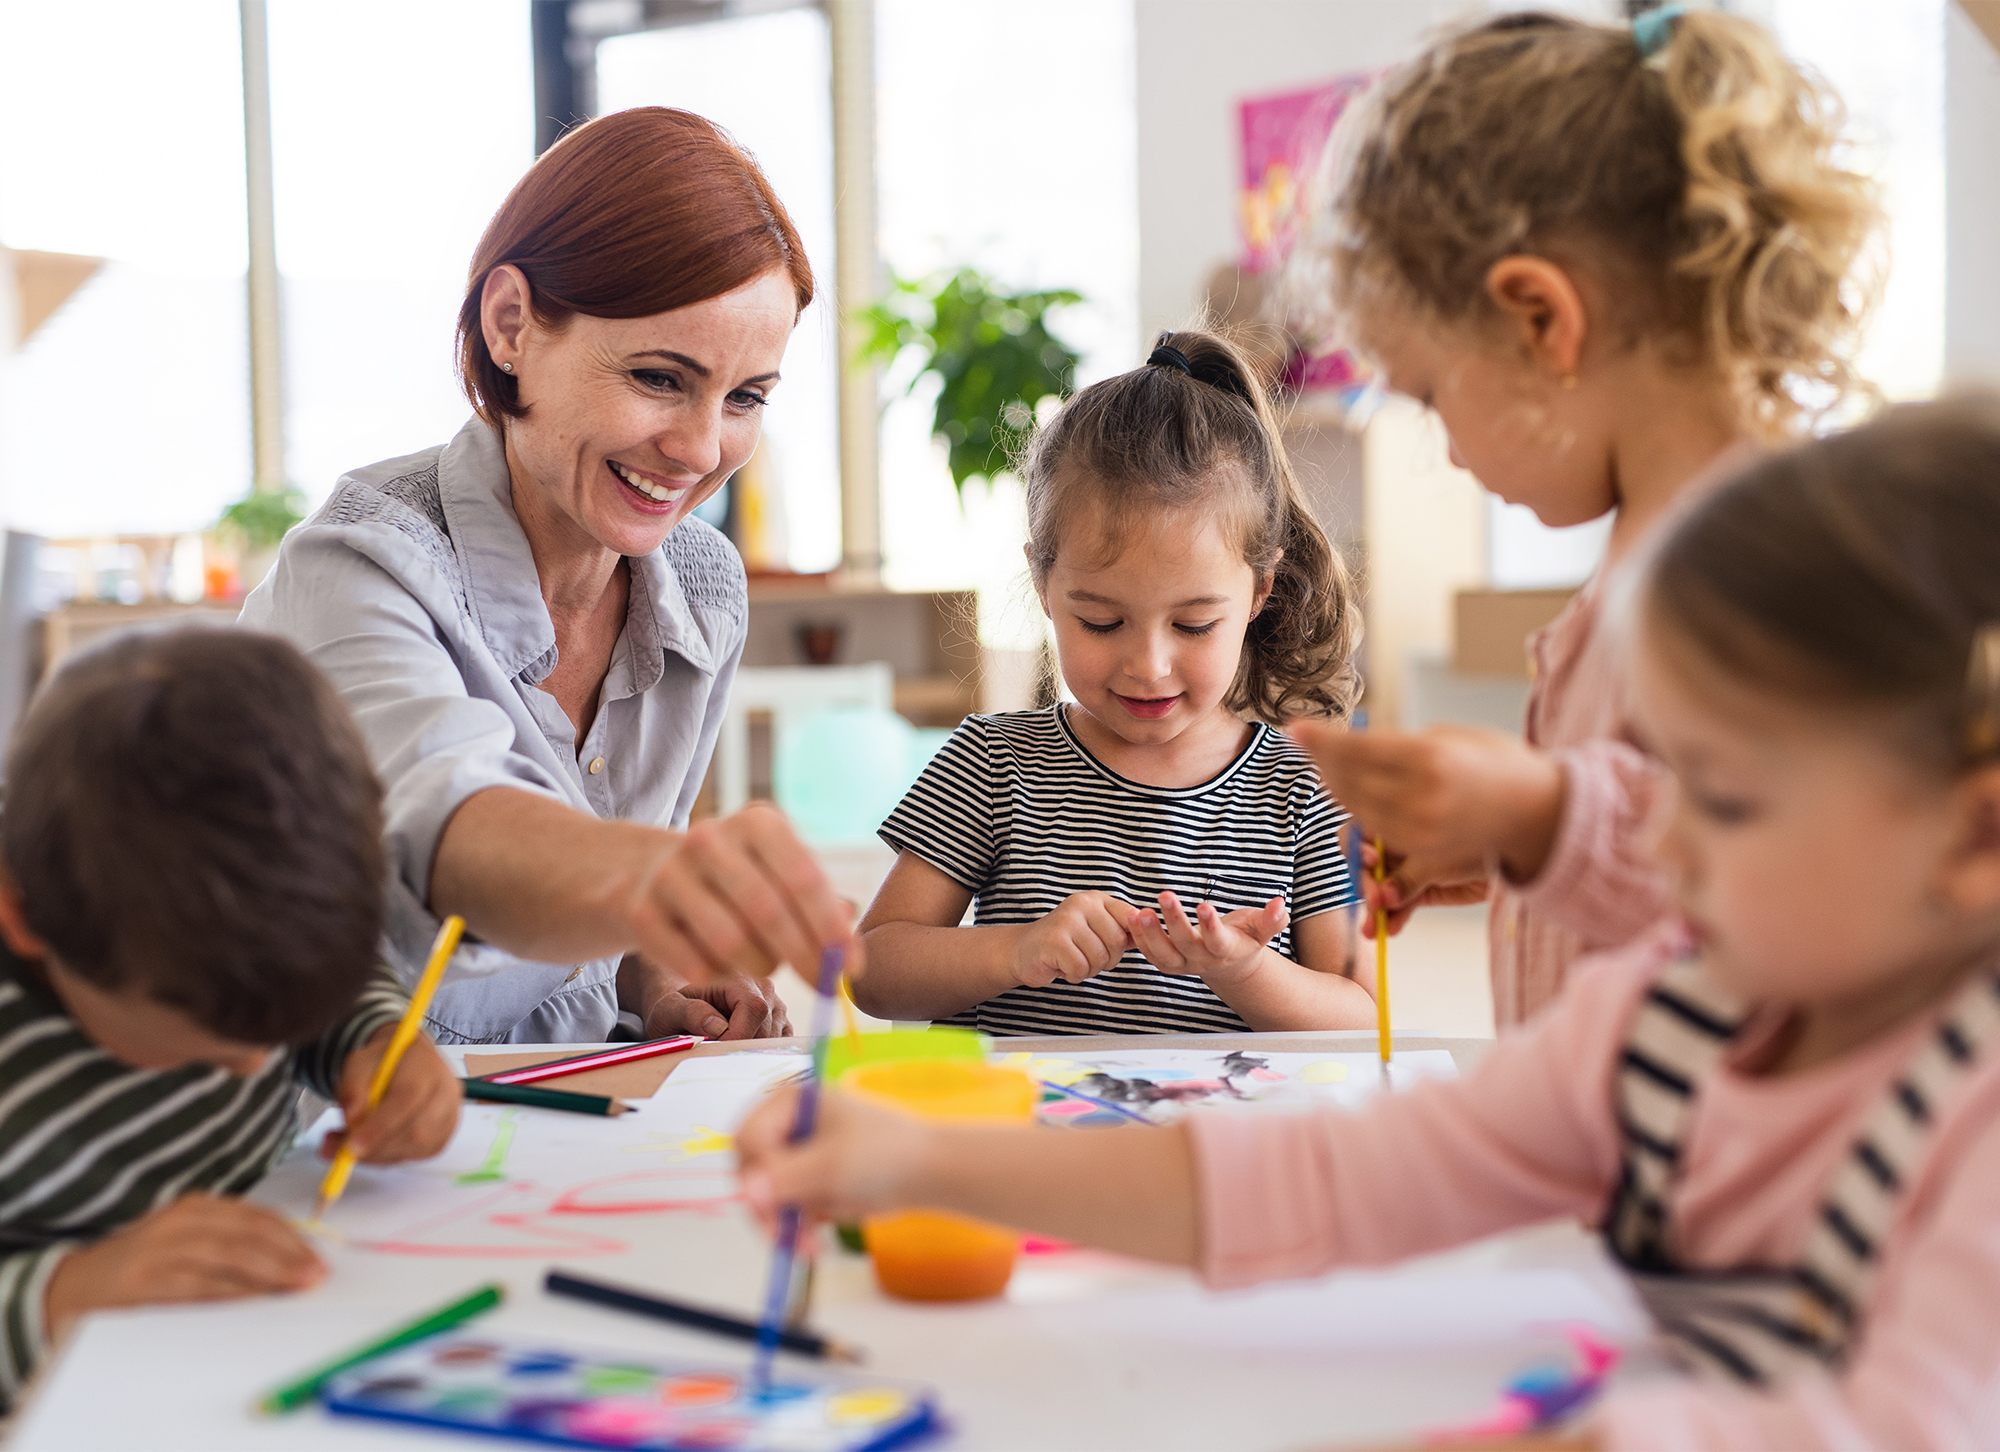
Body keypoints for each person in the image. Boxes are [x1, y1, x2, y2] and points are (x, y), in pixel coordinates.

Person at [738, 398, 2000, 1448]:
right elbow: (1334, 1177)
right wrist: (923, 1167)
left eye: (1716, 799)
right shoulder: (1659, 1019)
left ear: (1975, 835)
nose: (1652, 844)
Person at [1286, 7, 1881, 1025]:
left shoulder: (1776, 565)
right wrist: (1520, 854)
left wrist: (1545, 813)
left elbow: (1823, 886)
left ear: (1539, 320)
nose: (1446, 449)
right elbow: (1663, 835)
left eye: (1429, 395)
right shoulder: (1644, 557)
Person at [242, 107, 859, 1045]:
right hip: (350, 1127)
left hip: (567, 1118)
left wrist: (659, 981)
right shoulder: (358, 569)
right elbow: (456, 837)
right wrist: (666, 885)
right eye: (659, 377)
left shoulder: (702, 587)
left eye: (744, 398)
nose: (699, 449)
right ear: (511, 326)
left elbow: (611, 898)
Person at [852, 329, 1374, 1034]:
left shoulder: (1308, 788)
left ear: (1258, 593)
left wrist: (1244, 971)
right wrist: (1016, 949)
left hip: (1215, 1141)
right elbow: (872, 971)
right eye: (1101, 622)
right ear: (1043, 582)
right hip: (1022, 1139)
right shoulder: (992, 763)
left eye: (1193, 626)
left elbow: (1361, 1017)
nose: (1149, 666)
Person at [0, 630, 460, 1407]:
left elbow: (305, 980)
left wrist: (373, 1039)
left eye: (280, 1029)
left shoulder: (241, 924)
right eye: (205, 1042)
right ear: (28, 920)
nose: (258, 1065)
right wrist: (63, 1294)